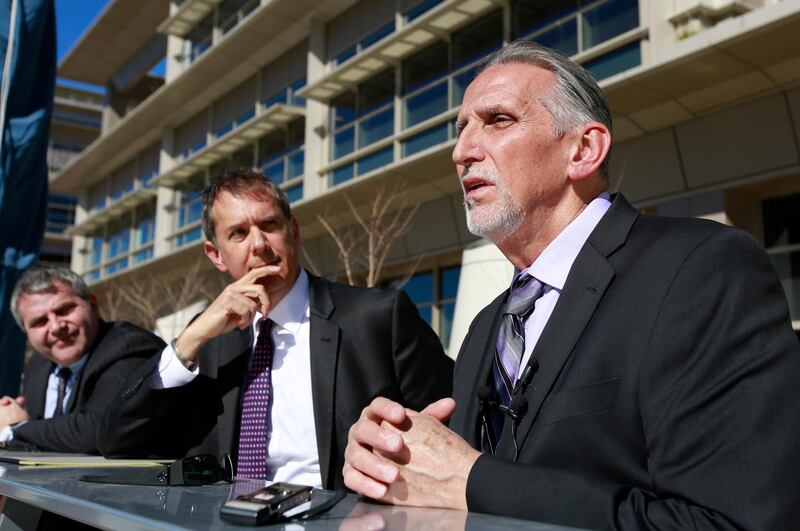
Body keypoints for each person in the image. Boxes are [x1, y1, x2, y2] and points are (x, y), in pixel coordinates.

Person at [343, 41, 800, 529]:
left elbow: (733, 521)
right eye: (461, 130)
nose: (462, 151)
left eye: (497, 120)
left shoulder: (703, 269)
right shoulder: (482, 329)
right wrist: (396, 462)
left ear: (583, 149)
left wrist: (475, 481)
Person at [99, 168, 453, 490]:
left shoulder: (378, 317)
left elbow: (453, 423)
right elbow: (117, 439)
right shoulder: (207, 345)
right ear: (216, 255)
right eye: (238, 233)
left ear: (294, 231)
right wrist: (190, 339)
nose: (258, 244)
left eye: (269, 225)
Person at [0, 267, 165, 453]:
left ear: (93, 305)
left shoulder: (129, 347)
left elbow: (96, 431)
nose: (55, 327)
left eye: (64, 310)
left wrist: (16, 428)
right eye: (40, 322)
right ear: (26, 333)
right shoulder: (38, 364)